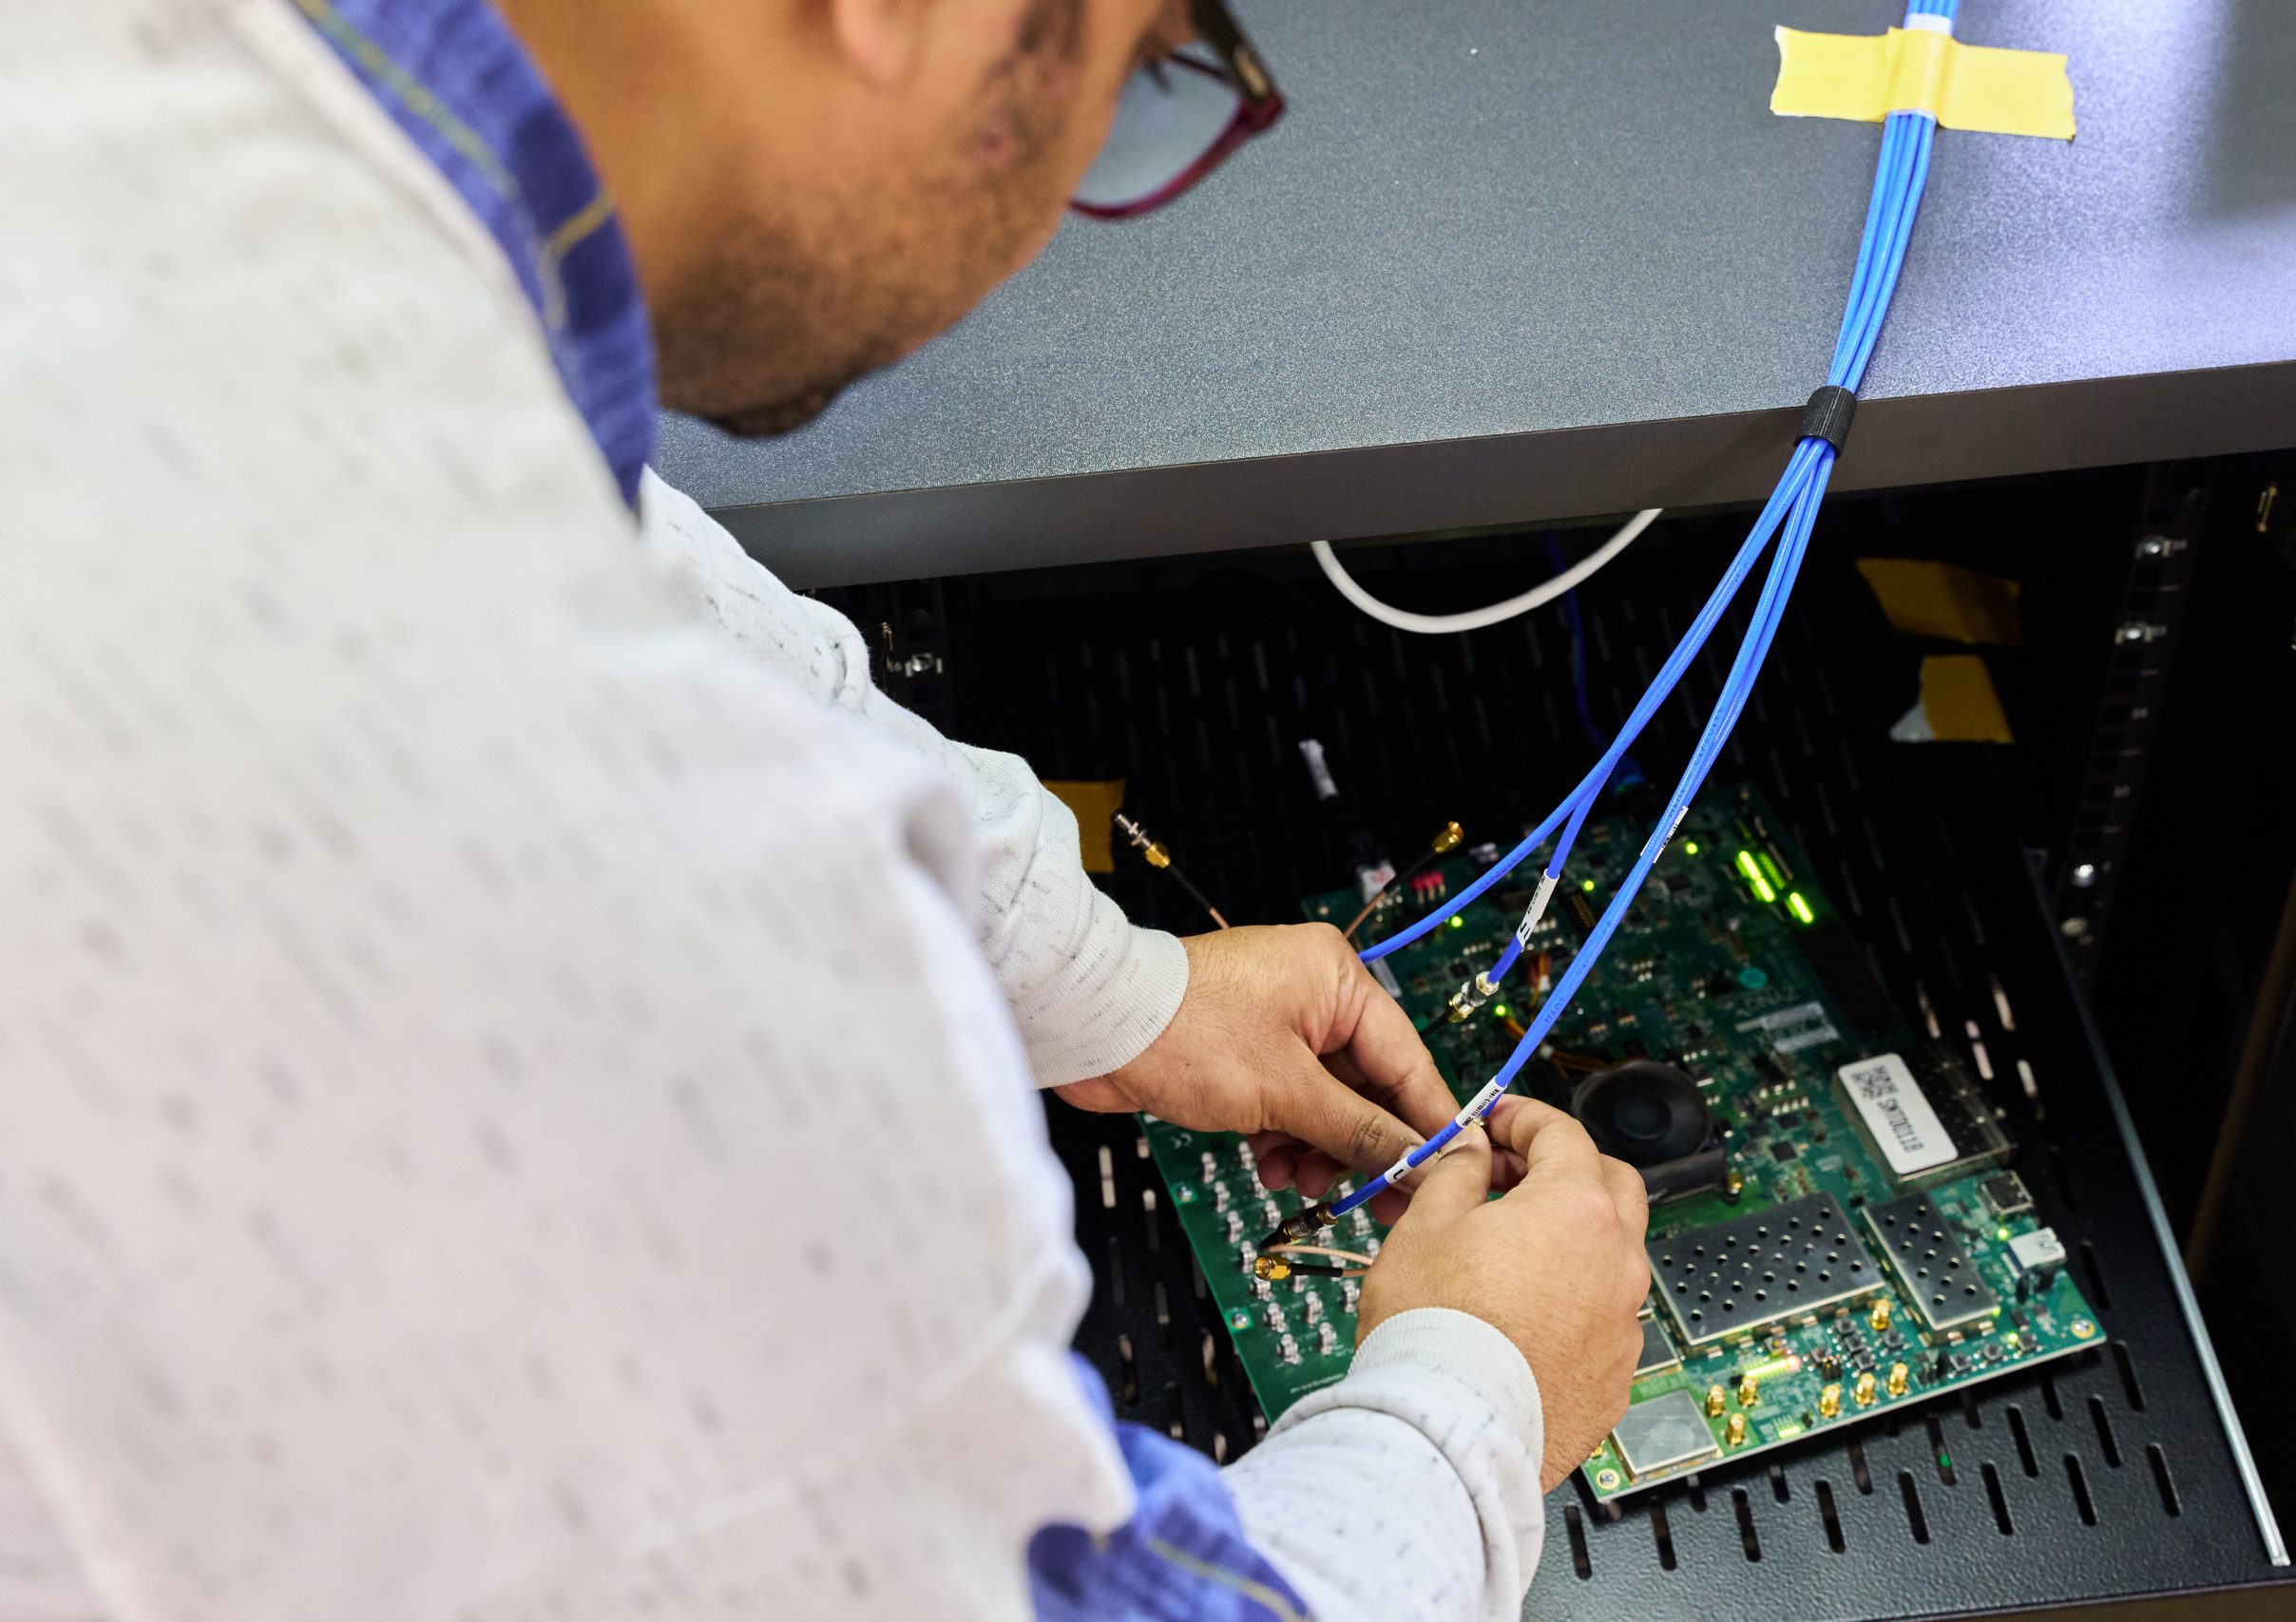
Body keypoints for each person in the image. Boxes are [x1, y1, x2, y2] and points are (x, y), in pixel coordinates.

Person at [0, 1, 1653, 1620]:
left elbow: (617, 540)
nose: (1062, 218)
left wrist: (1111, 987)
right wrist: (1473, 1409)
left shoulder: (180, 129)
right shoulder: (553, 866)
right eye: (1139, 81)